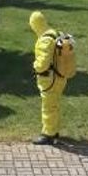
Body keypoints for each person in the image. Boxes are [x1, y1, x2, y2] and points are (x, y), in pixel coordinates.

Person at [29, 11, 66, 145]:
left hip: (50, 79)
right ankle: (54, 130)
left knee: (48, 107)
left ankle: (48, 134)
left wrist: (35, 66)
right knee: (54, 105)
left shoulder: (45, 39)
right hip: (60, 76)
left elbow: (43, 63)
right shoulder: (55, 33)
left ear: (35, 24)